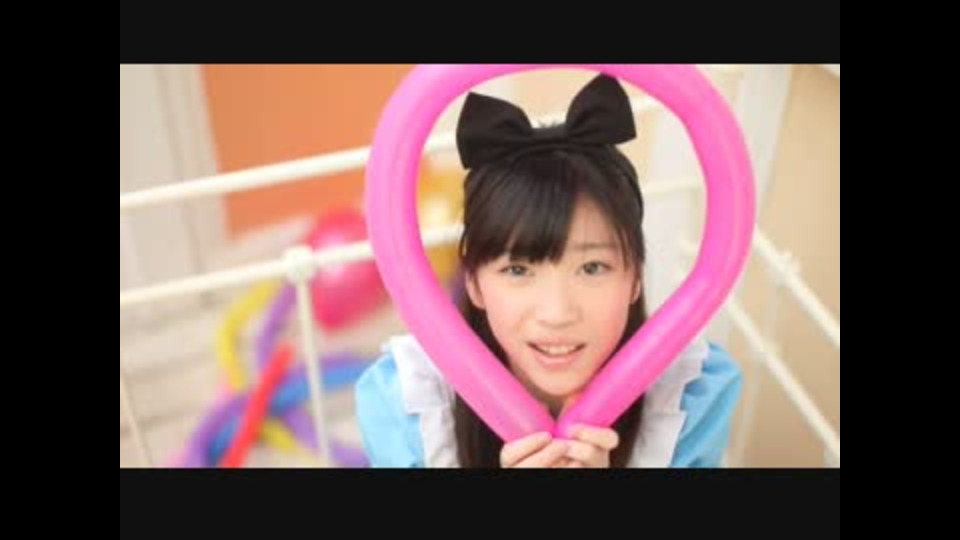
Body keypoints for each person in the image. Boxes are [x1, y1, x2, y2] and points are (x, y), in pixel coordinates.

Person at [354, 73, 743, 468]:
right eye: (518, 270)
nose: (557, 313)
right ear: (473, 282)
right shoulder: (410, 404)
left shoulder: (687, 398)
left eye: (592, 267)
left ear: (635, 278)